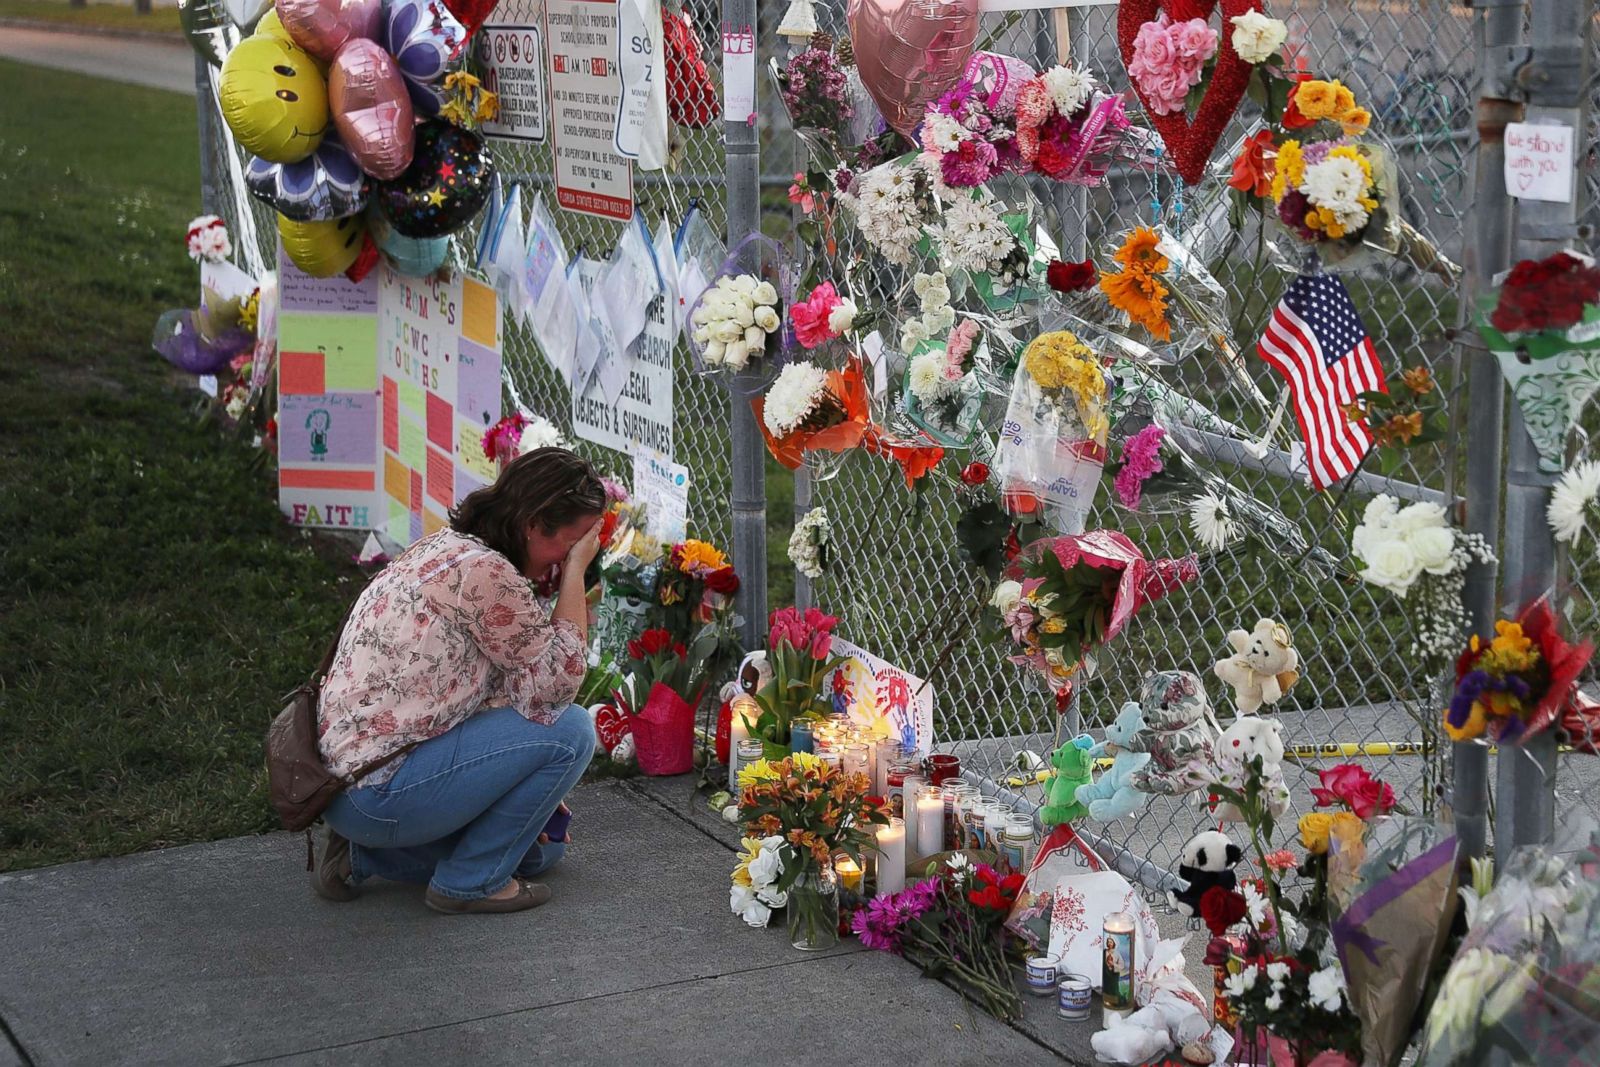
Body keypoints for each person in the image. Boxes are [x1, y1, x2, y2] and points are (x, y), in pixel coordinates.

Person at [310, 447, 604, 914]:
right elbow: (555, 689)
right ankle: (468, 884)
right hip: (380, 789)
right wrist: (575, 572)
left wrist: (530, 792)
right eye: (567, 543)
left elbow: (507, 692)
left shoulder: (446, 545)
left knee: (543, 850)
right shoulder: (488, 575)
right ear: (533, 524)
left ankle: (362, 852)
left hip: (342, 787)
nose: (562, 558)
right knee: (572, 732)